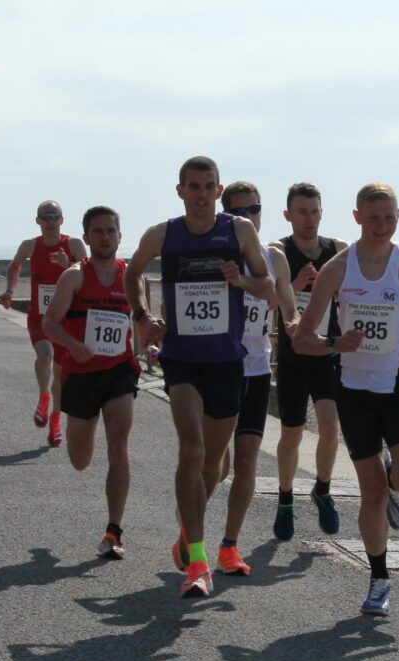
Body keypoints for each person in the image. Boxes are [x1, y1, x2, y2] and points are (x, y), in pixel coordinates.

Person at [293, 182, 399, 617]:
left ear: (398, 217)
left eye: (389, 217)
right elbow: (302, 339)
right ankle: (379, 579)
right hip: (354, 395)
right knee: (371, 496)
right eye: (373, 217)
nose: (382, 225)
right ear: (357, 217)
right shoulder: (338, 270)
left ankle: (397, 479)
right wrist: (334, 343)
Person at [124, 156, 274, 598]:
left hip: (228, 361)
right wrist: (142, 316)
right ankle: (198, 559)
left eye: (209, 187)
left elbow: (269, 288)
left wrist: (240, 280)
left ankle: (187, 533)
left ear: (218, 189)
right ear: (180, 191)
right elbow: (133, 272)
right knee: (190, 449)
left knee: (213, 462)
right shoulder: (162, 234)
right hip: (182, 359)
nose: (202, 194)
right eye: (194, 187)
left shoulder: (240, 231)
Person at [41, 205, 141, 559]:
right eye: (97, 232)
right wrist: (73, 345)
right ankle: (83, 428)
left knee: (120, 444)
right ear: (86, 237)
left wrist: (154, 343)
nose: (104, 237)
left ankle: (114, 530)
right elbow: (49, 323)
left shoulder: (131, 276)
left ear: (119, 235)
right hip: (81, 374)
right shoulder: (74, 277)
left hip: (120, 371)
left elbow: (141, 321)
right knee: (80, 460)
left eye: (110, 231)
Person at [213, 181, 298, 575]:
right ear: (227, 216)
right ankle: (190, 529)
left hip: (257, 368)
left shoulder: (273, 257)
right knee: (217, 464)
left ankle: (230, 544)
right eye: (241, 212)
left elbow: (286, 307)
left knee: (247, 460)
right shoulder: (214, 253)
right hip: (218, 368)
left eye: (255, 209)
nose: (250, 217)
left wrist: (304, 330)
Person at [268, 183, 349, 540]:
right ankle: (285, 498)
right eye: (302, 211)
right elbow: (267, 300)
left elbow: (352, 295)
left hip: (328, 352)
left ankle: (323, 489)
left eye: (315, 211)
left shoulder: (337, 251)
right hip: (293, 356)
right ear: (288, 215)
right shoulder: (278, 251)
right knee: (292, 433)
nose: (309, 218)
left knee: (331, 428)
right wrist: (298, 285)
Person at [0, 201, 86, 448]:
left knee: (59, 373)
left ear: (62, 219)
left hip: (65, 319)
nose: (50, 221)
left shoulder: (73, 245)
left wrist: (67, 265)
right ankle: (43, 397)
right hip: (39, 316)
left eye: (54, 216)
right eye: (45, 216)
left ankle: (56, 421)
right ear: (37, 220)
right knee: (45, 355)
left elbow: (88, 274)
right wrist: (9, 291)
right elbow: (14, 265)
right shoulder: (30, 245)